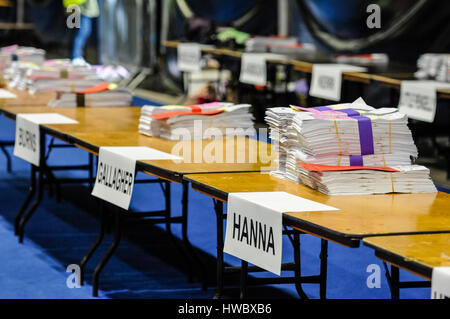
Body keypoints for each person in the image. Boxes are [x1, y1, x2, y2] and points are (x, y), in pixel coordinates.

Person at [64, 0, 99, 66]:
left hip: (75, 5)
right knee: (83, 32)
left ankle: (75, 57)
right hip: (82, 7)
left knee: (77, 31)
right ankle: (76, 57)